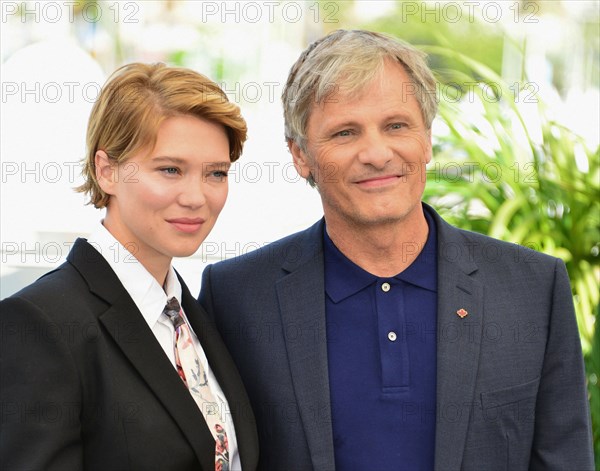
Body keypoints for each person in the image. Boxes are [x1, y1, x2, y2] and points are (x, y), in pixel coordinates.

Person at [199, 30, 594, 470]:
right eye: (345, 132)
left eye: (396, 125)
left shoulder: (532, 288)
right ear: (300, 155)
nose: (376, 153)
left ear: (426, 138)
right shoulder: (236, 297)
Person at [1, 63, 258, 470]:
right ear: (107, 171)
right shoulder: (41, 324)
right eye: (170, 169)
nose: (196, 197)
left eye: (216, 173)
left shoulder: (193, 313)